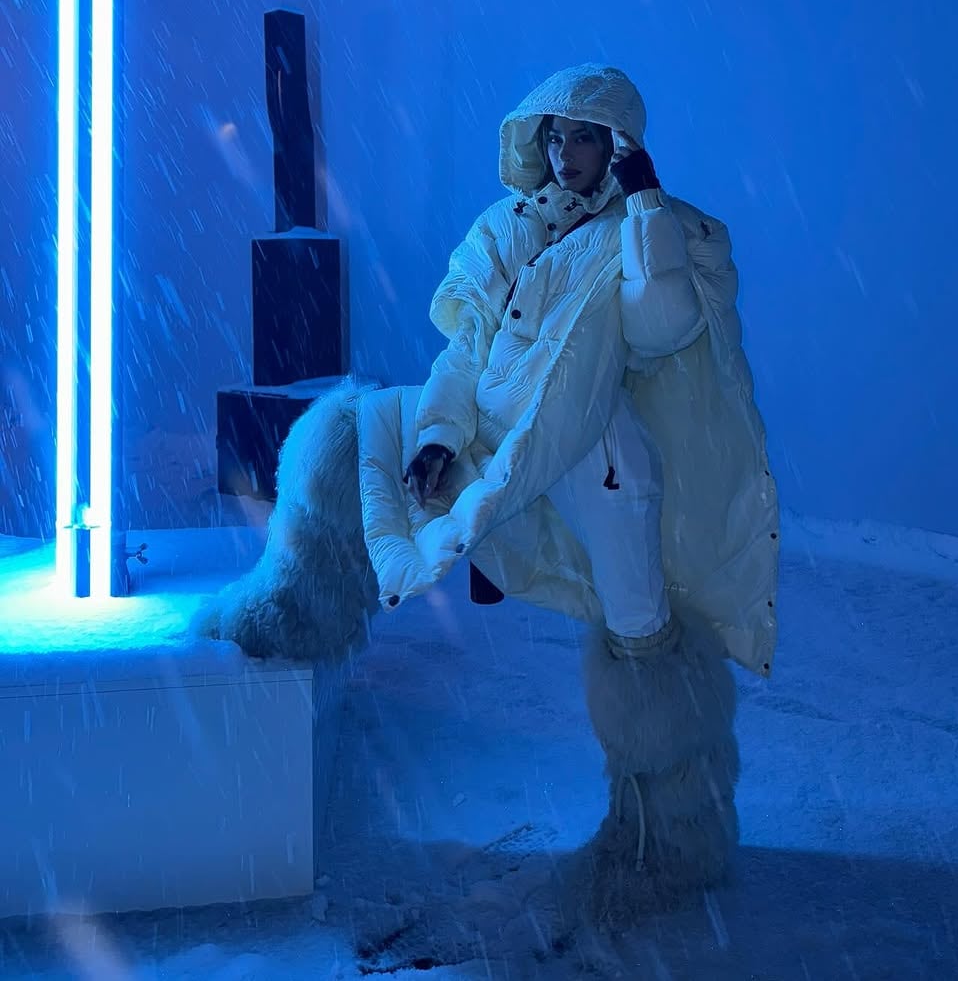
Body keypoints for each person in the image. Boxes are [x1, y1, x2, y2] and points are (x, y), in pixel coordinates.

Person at [195, 64, 779, 927]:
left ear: (617, 143)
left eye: (584, 135)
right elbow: (464, 359)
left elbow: (664, 326)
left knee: (641, 624)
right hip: (488, 439)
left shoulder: (656, 228)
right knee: (347, 431)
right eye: (553, 133)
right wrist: (435, 438)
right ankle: (294, 608)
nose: (564, 150)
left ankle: (668, 840)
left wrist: (646, 204)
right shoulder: (505, 229)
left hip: (592, 450)